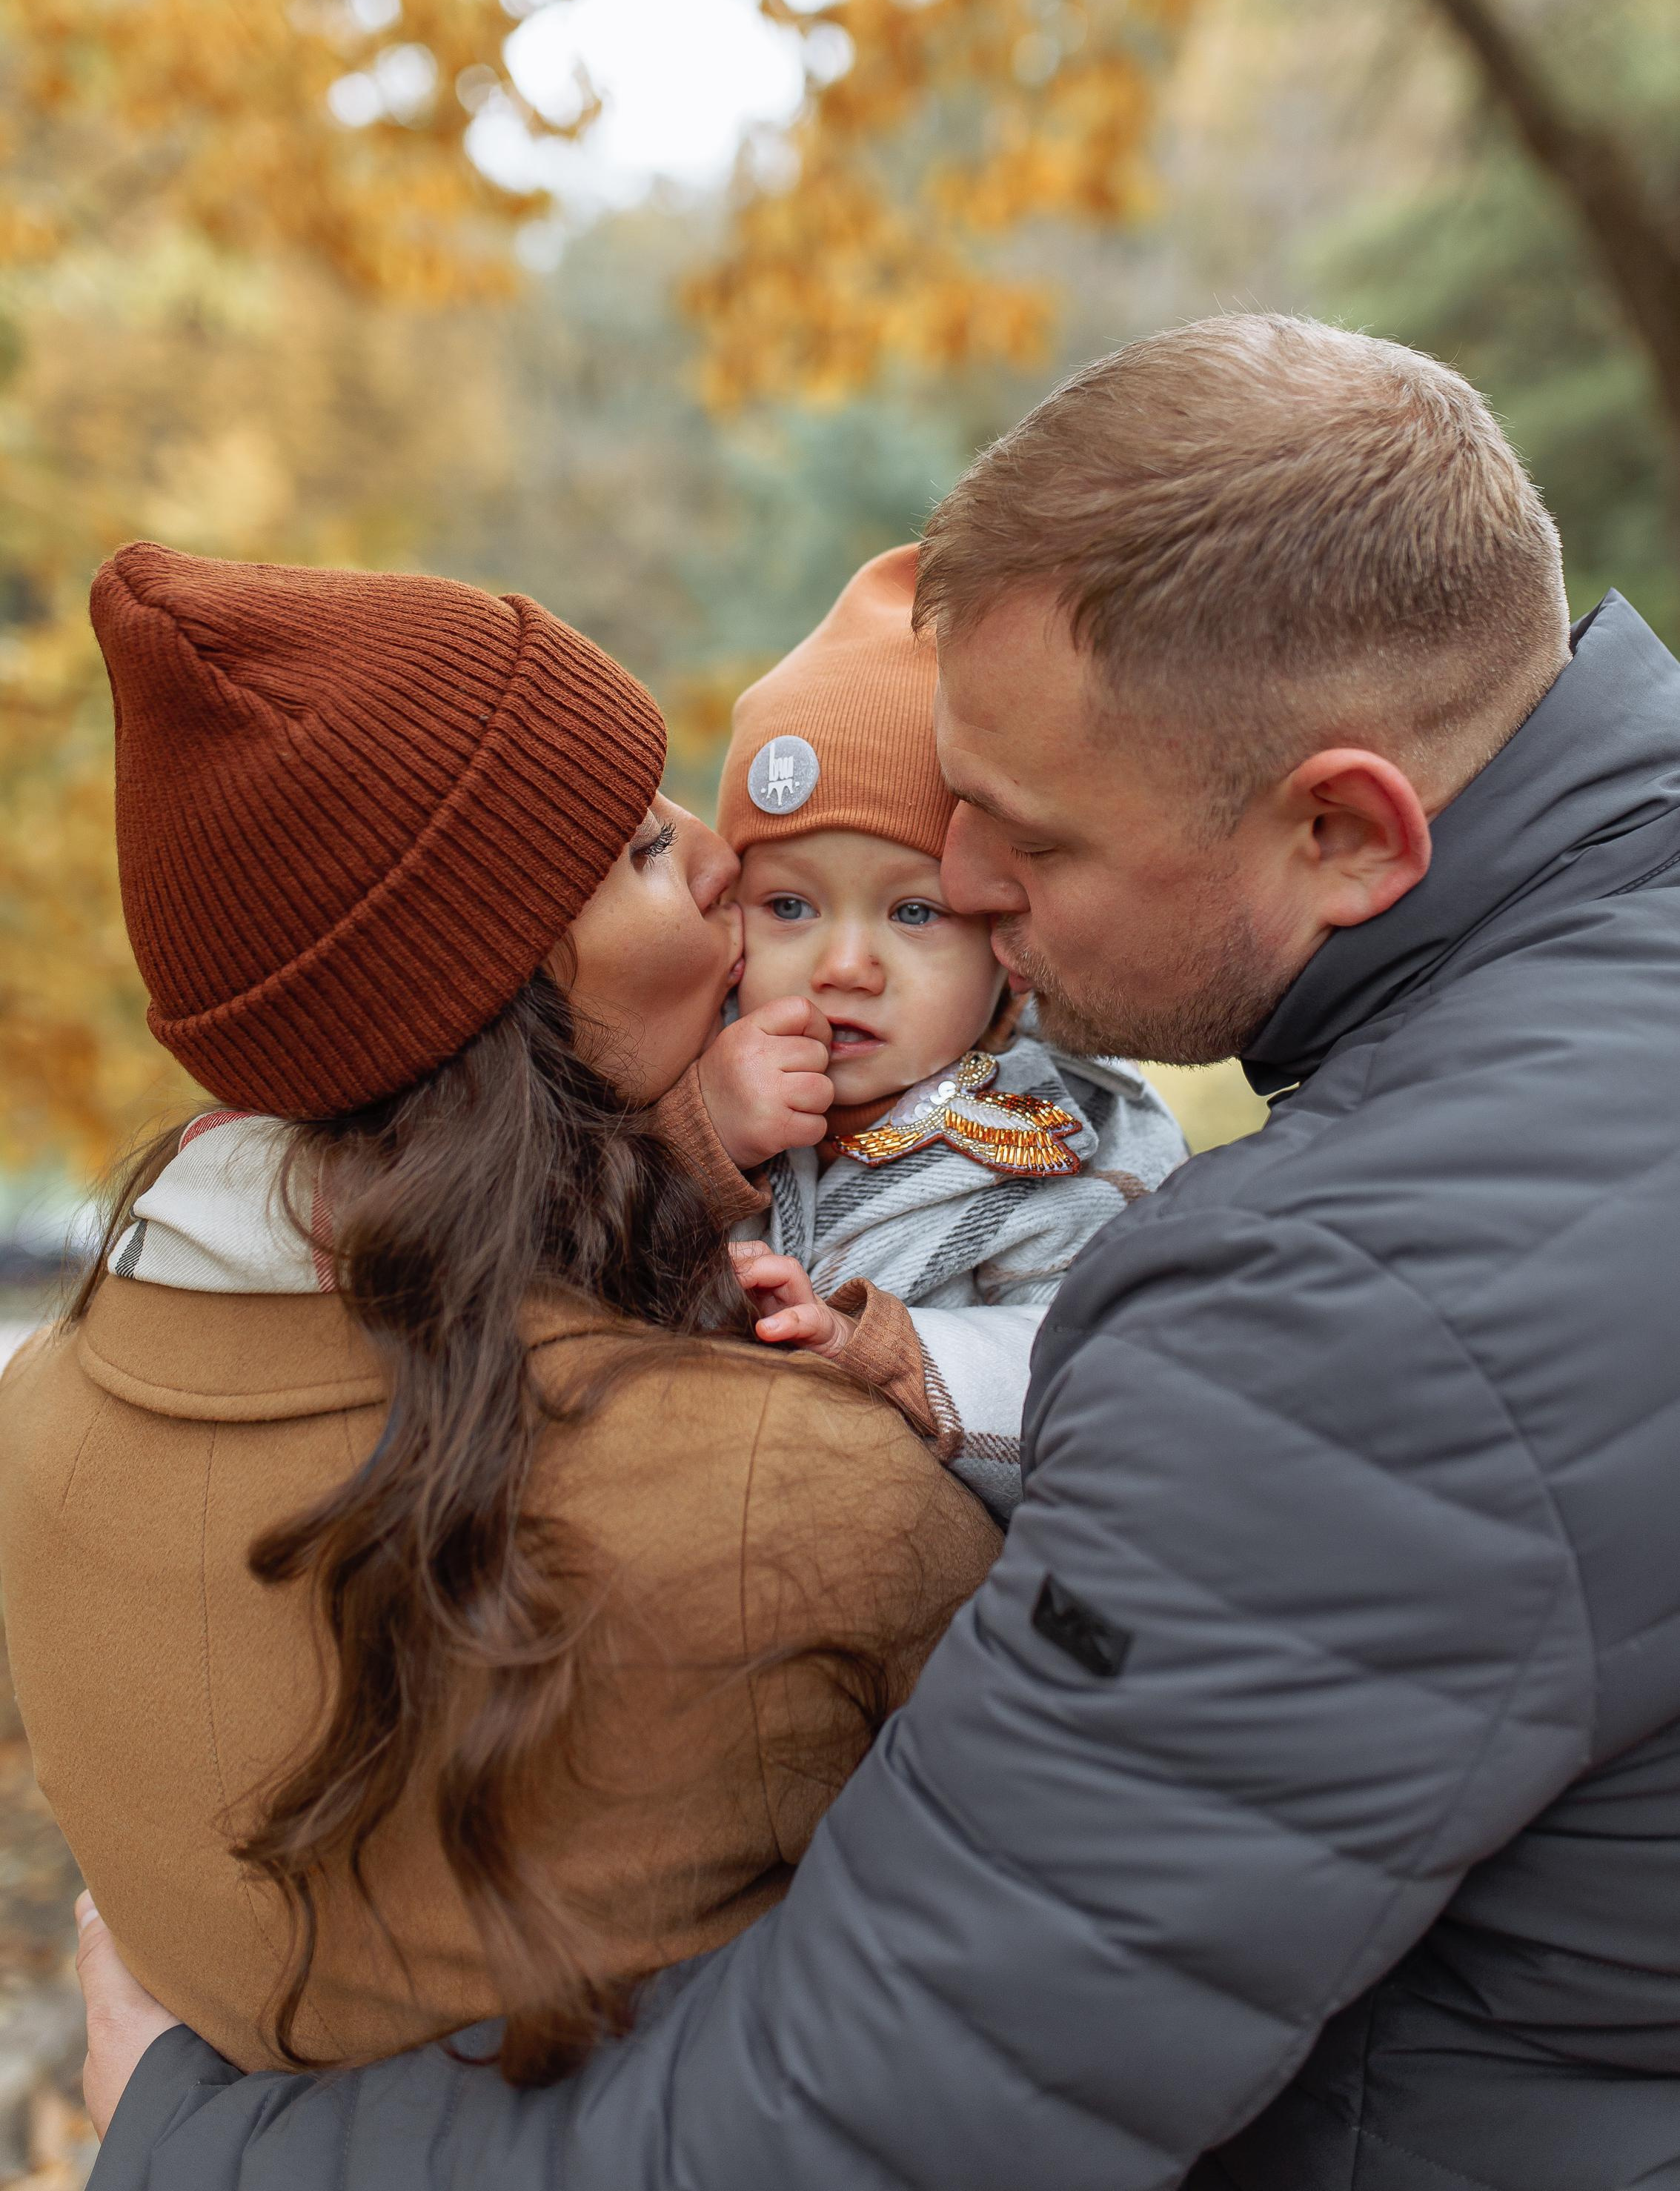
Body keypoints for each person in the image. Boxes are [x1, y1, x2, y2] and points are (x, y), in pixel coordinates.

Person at [78, 315, 1680, 2191]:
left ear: (1341, 827)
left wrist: (191, 2141)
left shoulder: (1351, 1312)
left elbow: (878, 2109)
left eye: (1028, 840)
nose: (968, 886)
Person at [0, 542, 997, 2084]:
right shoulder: (802, 1493)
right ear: (496, 1009)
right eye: (646, 850)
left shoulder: (40, 1415)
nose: (721, 854)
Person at [698, 543, 1185, 1515]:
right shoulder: (681, 1069)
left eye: (914, 913)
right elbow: (550, 1239)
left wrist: (882, 1352)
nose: (844, 965)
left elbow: (1111, 1390)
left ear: (1005, 939)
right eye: (790, 906)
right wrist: (700, 1138)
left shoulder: (1073, 1137)